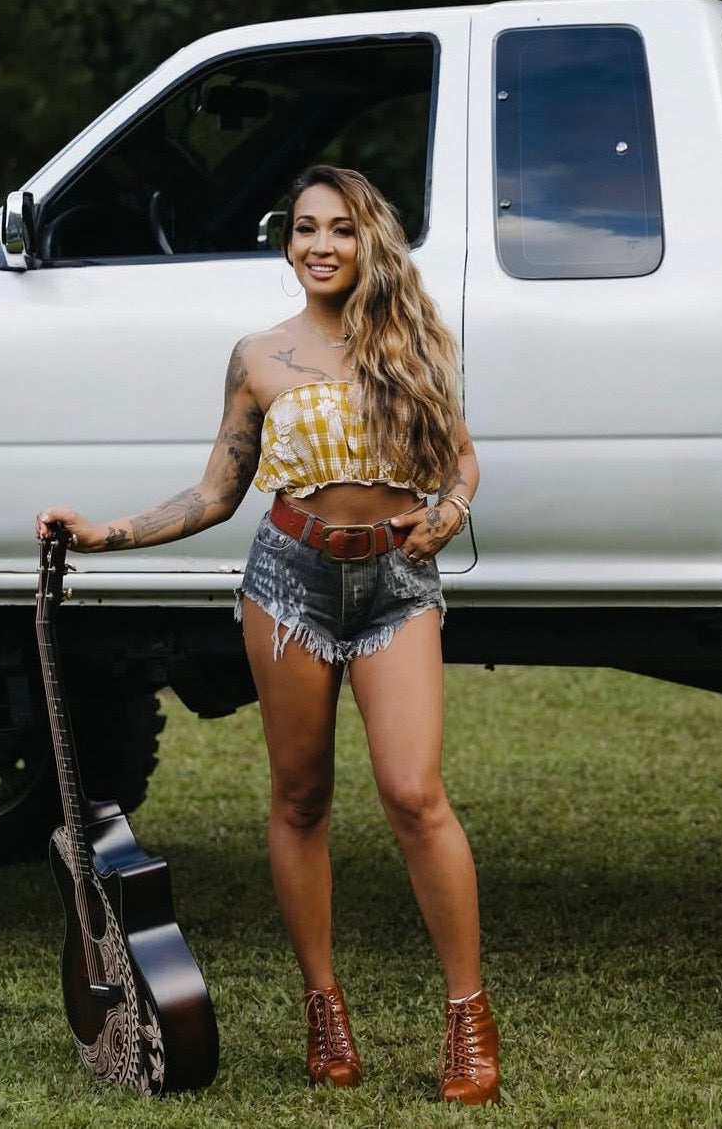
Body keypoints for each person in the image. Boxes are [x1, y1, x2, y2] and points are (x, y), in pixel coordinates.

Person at [36, 164, 499, 1106]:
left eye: (337, 228)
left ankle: (468, 1017)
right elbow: (216, 491)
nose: (318, 246)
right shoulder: (257, 355)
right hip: (288, 580)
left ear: (369, 238)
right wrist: (105, 533)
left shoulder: (415, 340)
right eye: (301, 228)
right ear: (286, 241)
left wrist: (447, 512)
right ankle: (323, 1005)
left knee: (414, 793)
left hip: (397, 582)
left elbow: (460, 460)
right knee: (299, 796)